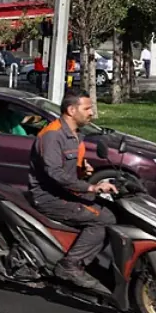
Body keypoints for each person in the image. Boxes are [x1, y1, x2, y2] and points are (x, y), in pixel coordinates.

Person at [28, 91, 118, 288]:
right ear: (71, 110)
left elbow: (70, 165)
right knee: (104, 219)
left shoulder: (75, 134)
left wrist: (83, 169)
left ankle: (84, 256)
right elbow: (55, 173)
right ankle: (69, 265)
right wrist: (92, 186)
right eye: (87, 108)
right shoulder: (52, 135)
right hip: (50, 197)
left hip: (68, 192)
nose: (91, 113)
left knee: (113, 210)